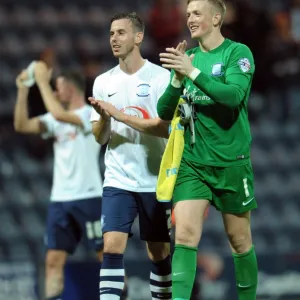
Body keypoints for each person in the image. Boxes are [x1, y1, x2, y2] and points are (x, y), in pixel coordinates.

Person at [158, 0, 258, 299]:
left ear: (217, 18)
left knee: (239, 241)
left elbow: (233, 95)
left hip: (231, 161)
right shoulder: (186, 58)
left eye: (197, 13)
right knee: (185, 234)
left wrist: (192, 74)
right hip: (193, 162)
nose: (190, 18)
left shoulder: (237, 53)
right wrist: (177, 81)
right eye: (188, 14)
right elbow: (165, 111)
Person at [88, 12, 172, 300]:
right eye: (111, 33)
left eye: (121, 33)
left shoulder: (161, 78)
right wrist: (104, 118)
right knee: (111, 245)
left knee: (158, 251)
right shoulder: (102, 82)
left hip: (154, 180)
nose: (114, 38)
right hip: (117, 179)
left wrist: (119, 115)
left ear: (138, 38)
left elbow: (166, 130)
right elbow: (99, 138)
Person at [14, 62, 103, 300]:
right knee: (53, 259)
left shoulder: (89, 115)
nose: (54, 93)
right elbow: (22, 125)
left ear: (72, 90)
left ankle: (121, 294)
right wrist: (23, 88)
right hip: (60, 199)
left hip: (90, 195)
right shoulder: (57, 120)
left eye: (58, 88)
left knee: (106, 255)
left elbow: (58, 113)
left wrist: (42, 80)